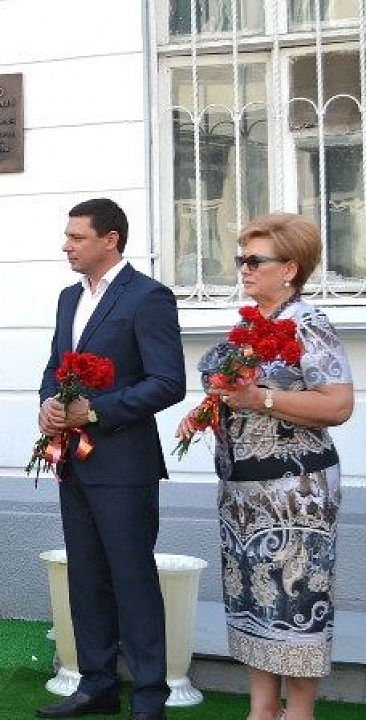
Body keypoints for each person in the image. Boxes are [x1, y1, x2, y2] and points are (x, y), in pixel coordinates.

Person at [175, 214, 353, 720]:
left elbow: (338, 405)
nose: (244, 269)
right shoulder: (251, 326)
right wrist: (205, 412)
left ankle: (298, 712)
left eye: (255, 260)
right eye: (241, 259)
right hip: (244, 496)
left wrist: (262, 399)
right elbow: (238, 396)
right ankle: (260, 710)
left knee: (295, 601)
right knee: (252, 600)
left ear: (290, 269)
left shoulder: (309, 327)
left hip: (295, 494)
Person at [35, 199, 185, 720]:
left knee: (132, 580)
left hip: (124, 466)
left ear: (111, 239)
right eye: (67, 235)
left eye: (77, 237)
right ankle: (96, 685)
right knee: (87, 578)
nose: (66, 245)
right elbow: (56, 366)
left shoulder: (148, 297)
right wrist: (49, 407)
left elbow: (168, 382)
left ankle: (149, 699)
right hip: (72, 463)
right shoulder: (67, 298)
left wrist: (94, 411)